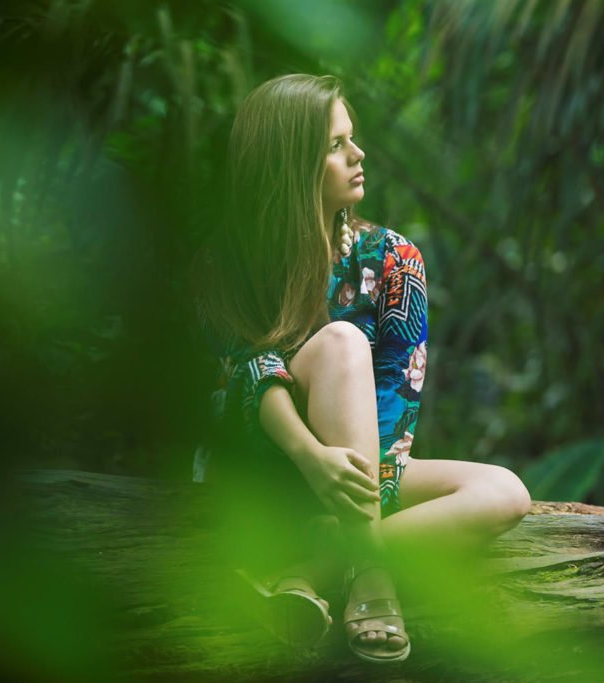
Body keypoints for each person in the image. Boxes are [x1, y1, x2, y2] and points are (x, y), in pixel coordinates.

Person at [195, 74, 532, 664]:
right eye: (335, 145)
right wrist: (309, 456)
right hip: (265, 468)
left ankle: (317, 563)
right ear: (289, 165)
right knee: (343, 343)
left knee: (504, 493)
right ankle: (373, 578)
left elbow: (398, 395)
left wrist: (349, 477)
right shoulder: (227, 264)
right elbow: (244, 372)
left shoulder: (394, 259)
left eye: (352, 138)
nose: (359, 155)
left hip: (358, 475)